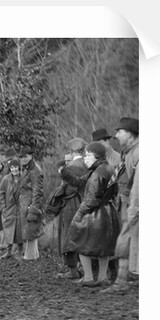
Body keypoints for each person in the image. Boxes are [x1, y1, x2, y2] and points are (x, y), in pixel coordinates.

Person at [64, 141, 120, 287]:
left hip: (96, 214)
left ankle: (88, 277)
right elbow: (114, 192)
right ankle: (102, 277)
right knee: (104, 247)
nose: (85, 158)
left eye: (88, 155)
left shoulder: (97, 173)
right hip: (109, 211)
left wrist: (79, 213)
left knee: (80, 241)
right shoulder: (107, 168)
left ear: (97, 156)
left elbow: (92, 199)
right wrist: (64, 173)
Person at [103, 117, 139, 293]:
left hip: (132, 203)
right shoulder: (128, 152)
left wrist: (133, 208)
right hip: (126, 202)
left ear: (130, 135)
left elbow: (139, 185)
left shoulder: (138, 153)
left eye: (120, 132)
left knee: (124, 239)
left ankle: (121, 280)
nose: (116, 135)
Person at [44, 138, 89, 279]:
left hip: (72, 204)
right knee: (84, 235)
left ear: (72, 151)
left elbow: (68, 189)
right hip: (86, 202)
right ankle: (84, 267)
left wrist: (56, 197)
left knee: (68, 236)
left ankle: (73, 270)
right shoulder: (89, 164)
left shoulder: (70, 168)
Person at [17, 145, 44, 261]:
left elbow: (37, 191)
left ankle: (31, 256)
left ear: (31, 156)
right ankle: (31, 255)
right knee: (28, 231)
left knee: (31, 231)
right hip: (25, 204)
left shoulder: (35, 170)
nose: (23, 159)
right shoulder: (27, 168)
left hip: (30, 204)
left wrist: (33, 209)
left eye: (25, 156)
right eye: (21, 157)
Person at [0, 158, 25, 260]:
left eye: (16, 167)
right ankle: (9, 251)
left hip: (20, 208)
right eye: (12, 167)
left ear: (19, 167)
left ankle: (20, 251)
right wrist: (3, 207)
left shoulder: (23, 178)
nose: (14, 169)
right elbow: (1, 193)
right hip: (9, 209)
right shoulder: (6, 179)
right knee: (8, 229)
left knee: (19, 230)